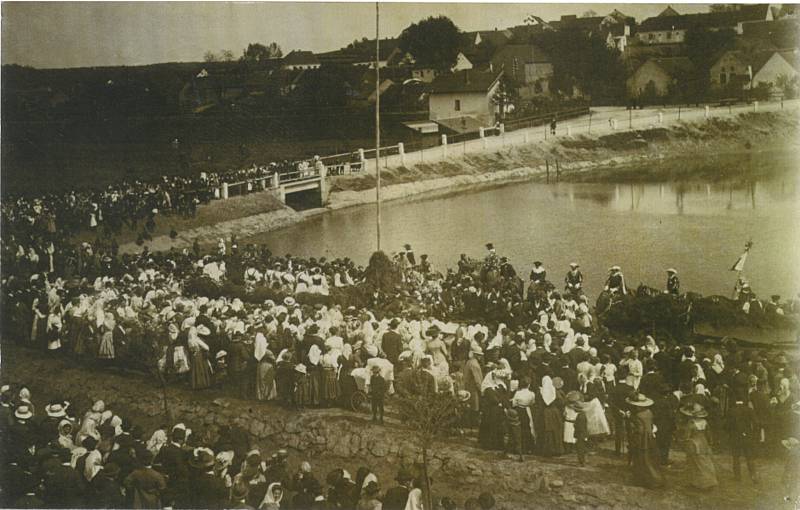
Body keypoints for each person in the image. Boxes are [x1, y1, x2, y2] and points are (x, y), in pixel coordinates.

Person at [625, 393, 664, 488]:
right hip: (650, 438)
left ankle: (647, 480)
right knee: (649, 459)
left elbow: (639, 429)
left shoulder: (637, 416)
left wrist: (628, 418)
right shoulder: (649, 412)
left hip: (642, 439)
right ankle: (655, 479)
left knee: (641, 459)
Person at [680, 402, 718, 489]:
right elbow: (709, 434)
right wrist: (710, 442)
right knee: (705, 462)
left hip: (694, 443)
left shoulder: (691, 423)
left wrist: (684, 440)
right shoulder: (705, 422)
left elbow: (687, 435)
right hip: (704, 442)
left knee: (694, 463)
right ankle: (709, 481)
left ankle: (698, 482)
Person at [728, 391, 759, 484]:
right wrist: (753, 434)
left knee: (736, 457)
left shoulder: (731, 410)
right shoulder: (749, 410)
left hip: (735, 437)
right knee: (749, 457)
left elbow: (726, 426)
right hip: (747, 436)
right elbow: (756, 423)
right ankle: (753, 476)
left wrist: (730, 434)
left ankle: (737, 477)